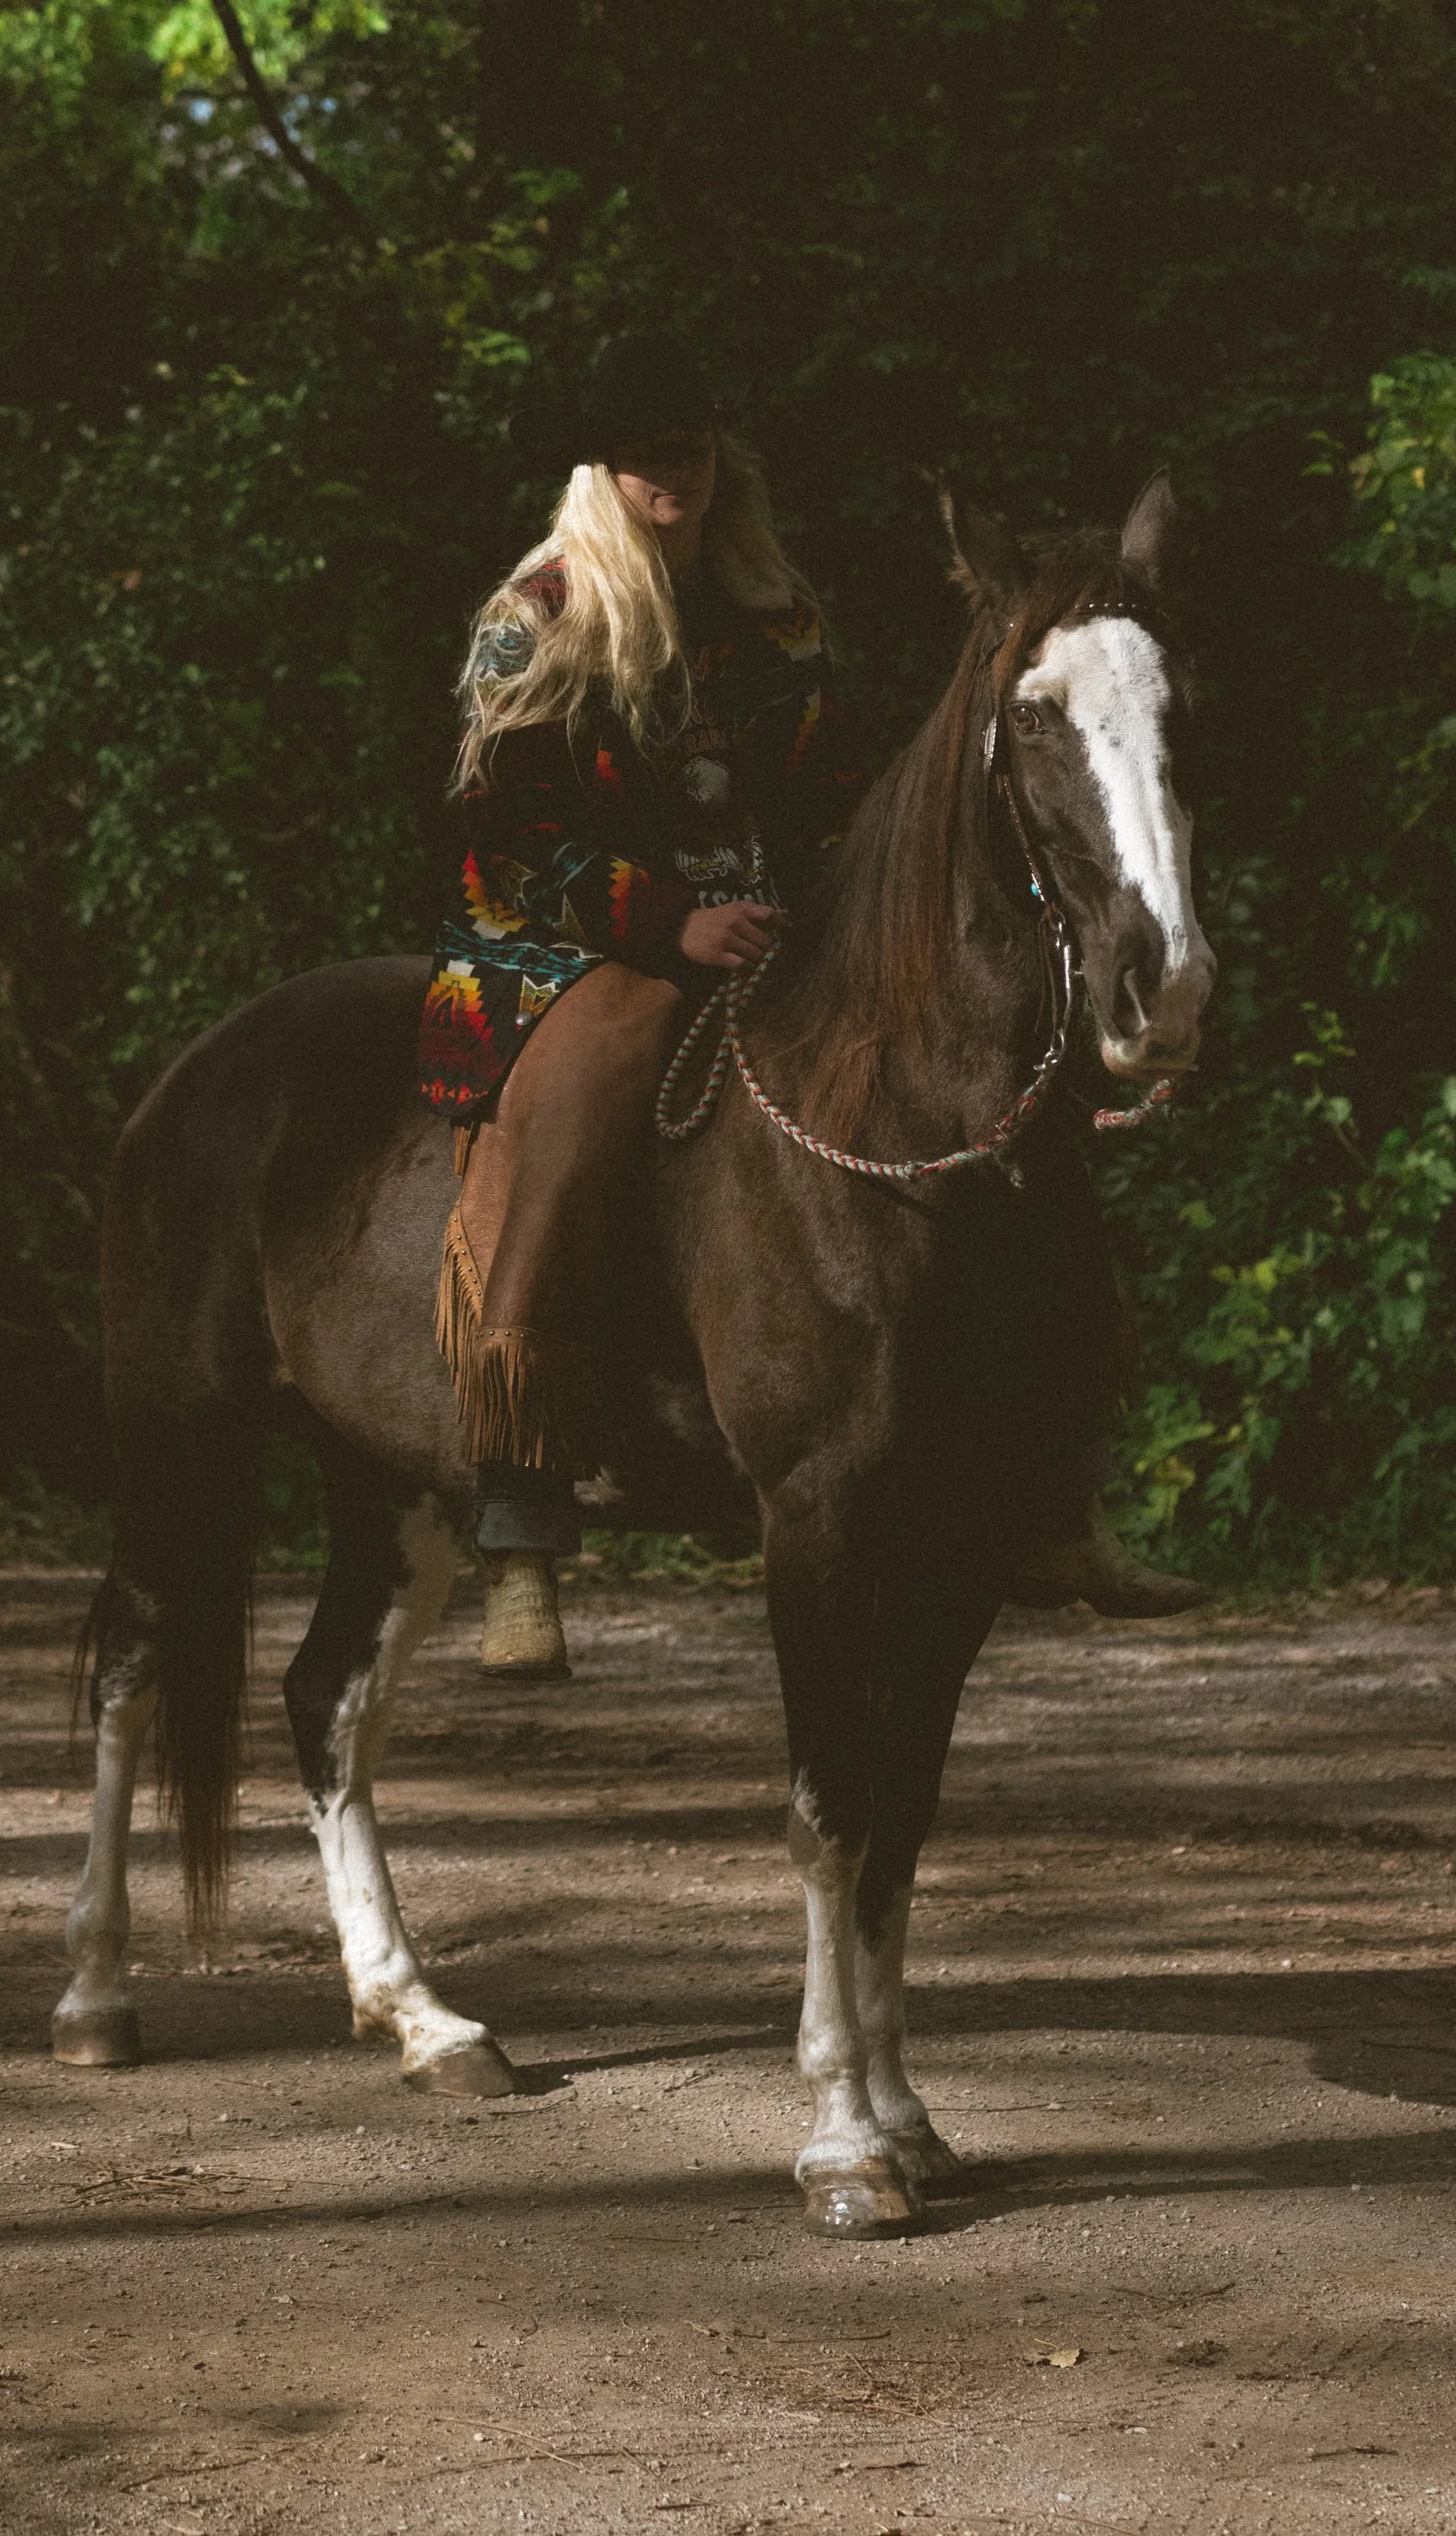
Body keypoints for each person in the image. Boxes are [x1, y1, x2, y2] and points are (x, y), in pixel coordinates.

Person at [416, 331, 1201, 1675]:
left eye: (691, 451)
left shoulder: (771, 609)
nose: (674, 477)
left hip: (765, 918)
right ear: (602, 473)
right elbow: (504, 829)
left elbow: (829, 788)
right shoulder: (533, 618)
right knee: (595, 1083)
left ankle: (1054, 1483)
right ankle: (520, 1511)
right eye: (646, 459)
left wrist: (851, 910)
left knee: (1001, 1074)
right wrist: (668, 919)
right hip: (564, 941)